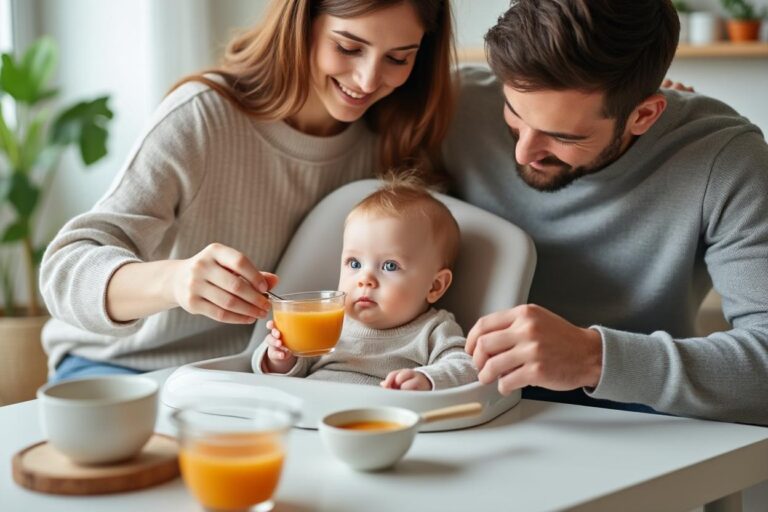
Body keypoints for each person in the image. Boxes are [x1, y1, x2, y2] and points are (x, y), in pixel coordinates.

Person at [40, 0, 456, 381]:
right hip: (119, 367)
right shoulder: (202, 117)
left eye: (398, 58)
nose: (367, 80)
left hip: (245, 381)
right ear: (302, 23)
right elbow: (63, 272)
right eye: (348, 48)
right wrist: (175, 281)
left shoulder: (392, 143)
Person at [442, 0, 768, 425]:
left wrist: (594, 358)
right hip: (464, 403)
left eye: (562, 136)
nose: (523, 152)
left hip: (639, 423)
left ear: (643, 115)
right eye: (514, 113)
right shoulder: (455, 106)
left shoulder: (726, 158)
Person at [252, 177, 477, 390]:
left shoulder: (433, 330)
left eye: (390, 266)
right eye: (355, 263)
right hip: (311, 408)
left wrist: (427, 379)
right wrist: (280, 358)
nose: (365, 279)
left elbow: (468, 367)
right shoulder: (331, 320)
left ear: (435, 286)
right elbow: (290, 373)